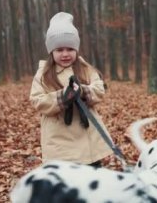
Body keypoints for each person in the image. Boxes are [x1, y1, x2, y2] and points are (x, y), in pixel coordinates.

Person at [29, 12, 112, 167]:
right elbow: (37, 100)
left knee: (92, 182)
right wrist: (62, 97)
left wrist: (83, 91)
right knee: (66, 184)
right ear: (51, 52)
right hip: (60, 142)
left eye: (70, 49)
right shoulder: (43, 74)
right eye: (59, 50)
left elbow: (99, 89)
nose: (65, 54)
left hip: (88, 142)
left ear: (76, 50)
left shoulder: (85, 69)